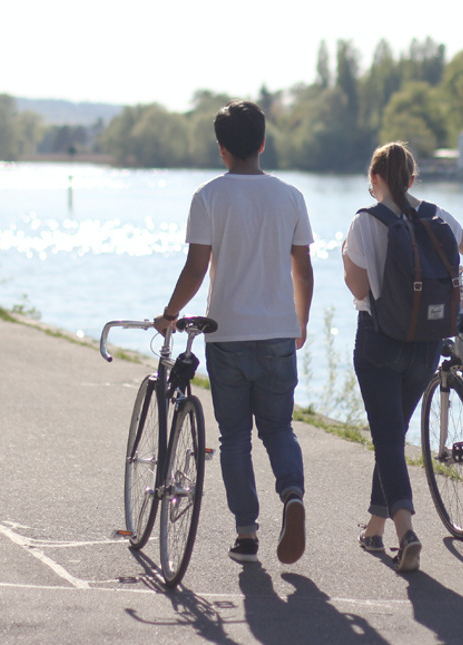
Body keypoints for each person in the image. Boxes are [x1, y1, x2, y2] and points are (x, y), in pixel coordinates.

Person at [341, 142, 463, 572]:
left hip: (379, 343)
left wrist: (346, 257)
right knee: (392, 435)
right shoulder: (438, 217)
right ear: (411, 179)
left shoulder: (364, 223)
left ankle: (406, 531)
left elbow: (358, 290)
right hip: (426, 344)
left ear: (374, 180)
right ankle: (374, 528)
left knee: (388, 439)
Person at [154, 100, 314, 565]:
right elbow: (302, 265)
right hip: (279, 332)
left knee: (234, 438)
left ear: (222, 149)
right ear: (263, 143)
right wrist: (299, 320)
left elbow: (196, 267)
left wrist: (170, 311)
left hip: (226, 335)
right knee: (279, 428)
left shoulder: (208, 196)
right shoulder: (290, 197)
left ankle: (247, 534)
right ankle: (293, 496)